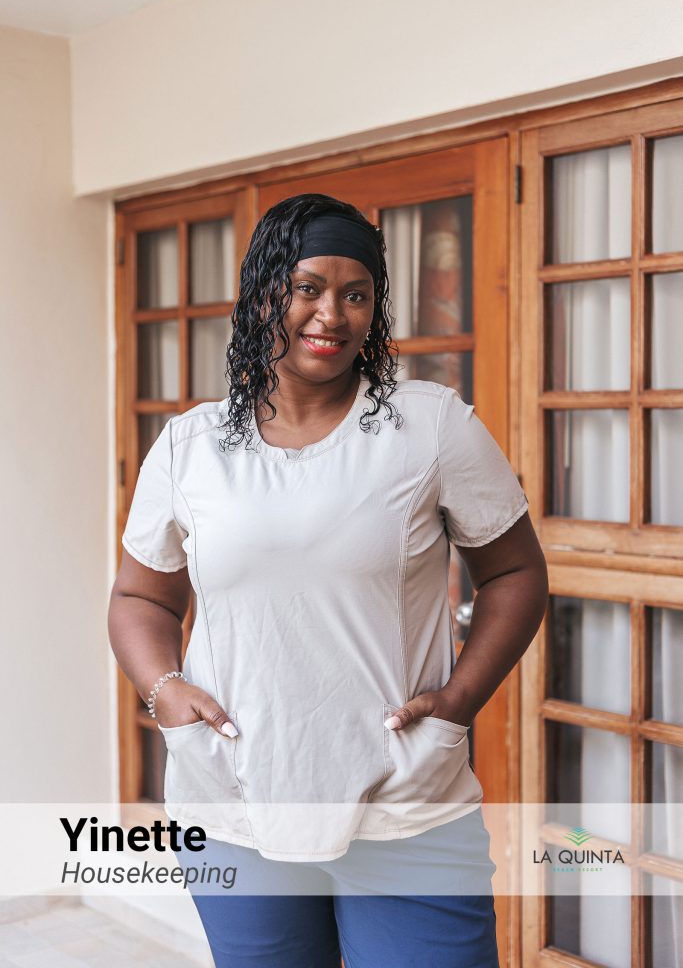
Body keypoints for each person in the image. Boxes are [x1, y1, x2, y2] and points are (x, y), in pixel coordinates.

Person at [108, 192, 549, 967]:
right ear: (263, 294)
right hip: (234, 803)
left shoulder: (430, 426)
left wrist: (458, 702)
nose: (331, 314)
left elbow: (514, 571)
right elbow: (141, 596)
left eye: (356, 294)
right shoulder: (189, 446)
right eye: (307, 288)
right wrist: (163, 690)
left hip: (405, 802)